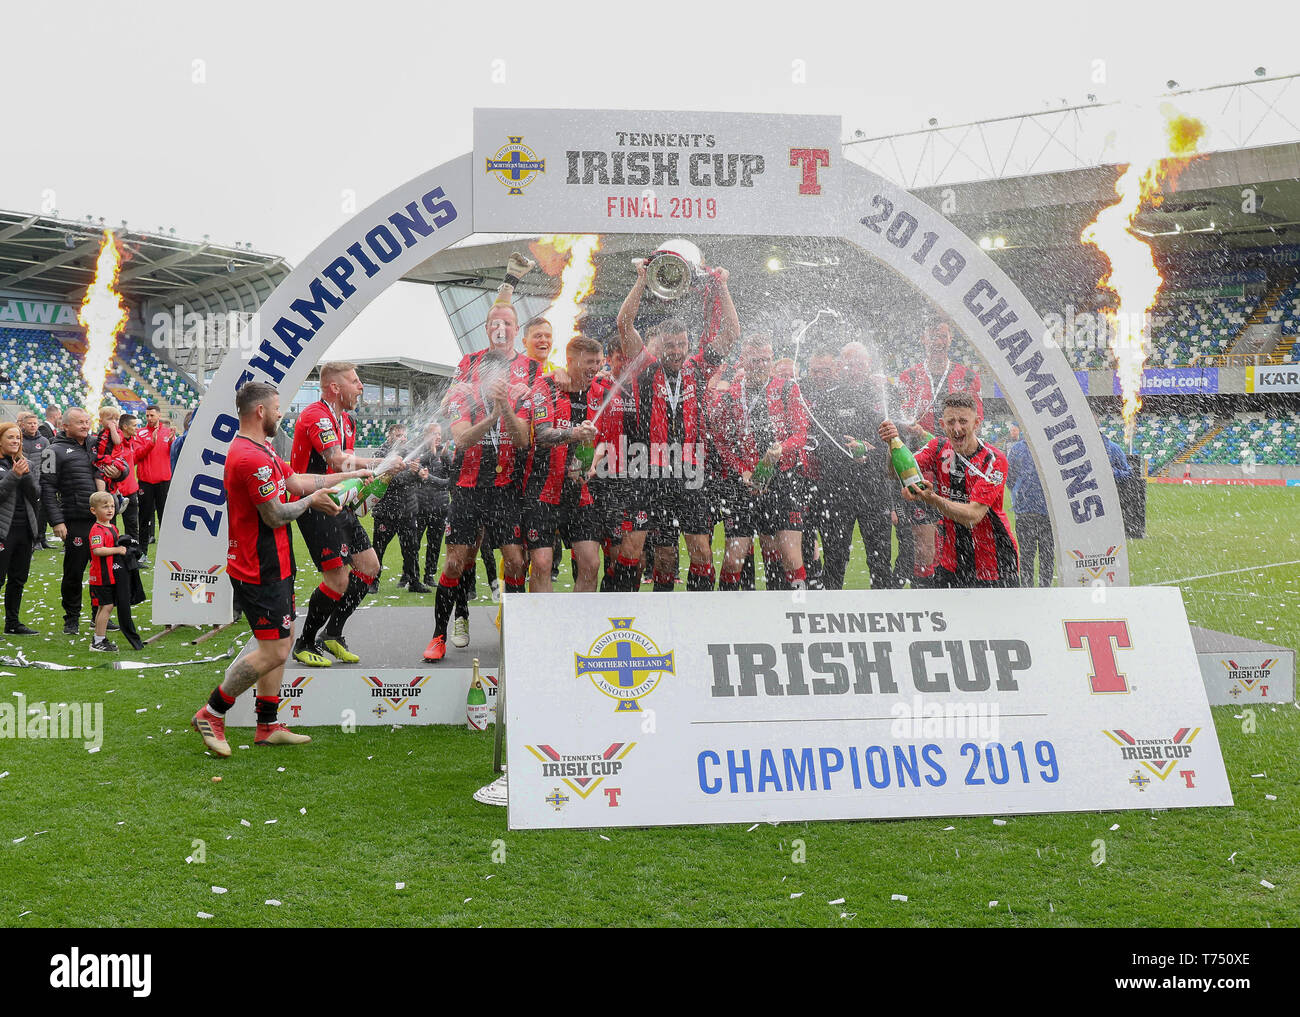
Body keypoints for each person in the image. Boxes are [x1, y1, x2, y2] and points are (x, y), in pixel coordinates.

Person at [191, 381, 370, 757]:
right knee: (272, 651)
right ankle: (213, 711)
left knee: (279, 645)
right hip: (260, 568)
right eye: (276, 408)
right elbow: (275, 515)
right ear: (260, 411)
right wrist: (311, 502)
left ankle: (267, 724)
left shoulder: (262, 448)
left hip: (276, 563)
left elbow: (298, 481)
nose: (280, 414)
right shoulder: (249, 456)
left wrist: (350, 478)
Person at [613, 258, 738, 592]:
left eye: (682, 345)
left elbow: (731, 333)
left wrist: (723, 286)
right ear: (660, 345)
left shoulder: (698, 368)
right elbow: (624, 324)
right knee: (640, 550)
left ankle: (695, 620)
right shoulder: (645, 369)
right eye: (670, 346)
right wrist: (641, 279)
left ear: (688, 342)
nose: (677, 352)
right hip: (646, 469)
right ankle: (626, 612)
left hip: (691, 471)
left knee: (700, 552)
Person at [424, 326, 531, 662]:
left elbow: (523, 440)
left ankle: (514, 634)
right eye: (491, 376)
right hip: (468, 491)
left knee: (515, 561)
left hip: (503, 493)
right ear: (480, 375)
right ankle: (440, 634)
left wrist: (506, 409)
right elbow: (462, 439)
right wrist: (493, 416)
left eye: (502, 376)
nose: (497, 382)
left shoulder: (517, 395)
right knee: (456, 562)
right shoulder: (460, 395)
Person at [290, 362, 385, 666]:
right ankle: (304, 642)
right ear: (335, 387)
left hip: (339, 501)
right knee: (337, 580)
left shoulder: (346, 420)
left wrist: (375, 474)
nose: (360, 387)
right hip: (315, 503)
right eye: (355, 381)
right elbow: (337, 460)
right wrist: (377, 464)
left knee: (370, 566)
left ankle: (332, 634)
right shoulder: (315, 415)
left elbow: (344, 469)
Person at [879, 391, 1019, 588]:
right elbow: (896, 473)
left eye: (963, 421)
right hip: (951, 562)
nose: (957, 428)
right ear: (942, 424)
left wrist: (933, 499)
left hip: (995, 564)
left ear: (976, 423)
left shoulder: (994, 460)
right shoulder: (938, 447)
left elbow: (973, 516)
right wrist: (892, 443)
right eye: (951, 422)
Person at [709, 334, 810, 590]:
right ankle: (727, 619)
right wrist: (741, 470)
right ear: (743, 361)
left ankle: (796, 614)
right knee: (733, 560)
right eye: (755, 361)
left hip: (783, 481)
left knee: (789, 557)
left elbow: (800, 433)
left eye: (765, 360)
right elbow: (720, 441)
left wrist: (781, 449)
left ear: (772, 361)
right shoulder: (730, 397)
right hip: (744, 486)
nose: (760, 366)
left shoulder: (788, 388)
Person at [802, 341, 894, 590]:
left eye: (859, 363)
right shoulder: (828, 399)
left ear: (868, 365)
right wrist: (846, 453)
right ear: (840, 366)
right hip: (836, 491)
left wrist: (869, 451)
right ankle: (832, 621)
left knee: (880, 560)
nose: (854, 369)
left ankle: (884, 618)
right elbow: (816, 443)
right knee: (834, 561)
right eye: (849, 363)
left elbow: (896, 443)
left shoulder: (881, 396)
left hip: (874, 490)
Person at [897, 322, 983, 587]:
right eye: (933, 336)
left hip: (958, 472)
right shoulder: (908, 377)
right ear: (923, 340)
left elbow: (976, 419)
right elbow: (902, 418)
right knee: (924, 546)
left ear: (950, 340)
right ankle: (928, 597)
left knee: (959, 541)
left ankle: (958, 596)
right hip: (922, 471)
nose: (938, 341)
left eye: (942, 336)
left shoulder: (967, 377)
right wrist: (908, 428)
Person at [519, 335, 606, 592]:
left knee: (590, 563)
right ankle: (543, 628)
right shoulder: (545, 387)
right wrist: (574, 434)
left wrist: (594, 462)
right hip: (542, 490)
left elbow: (607, 439)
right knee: (543, 563)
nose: (595, 367)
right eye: (589, 362)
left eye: (598, 362)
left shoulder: (600, 390)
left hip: (579, 492)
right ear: (570, 361)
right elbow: (543, 435)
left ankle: (578, 628)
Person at [40, 408, 102, 634]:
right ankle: (72, 618)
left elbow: (118, 467)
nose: (86, 426)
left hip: (102, 520)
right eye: (80, 423)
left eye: (87, 422)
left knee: (103, 570)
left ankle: (100, 616)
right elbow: (46, 488)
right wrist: (57, 521)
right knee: (74, 571)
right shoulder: (52, 451)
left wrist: (120, 472)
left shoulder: (97, 444)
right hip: (75, 520)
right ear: (65, 425)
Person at [86, 491, 143, 652]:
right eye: (105, 507)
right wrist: (118, 550)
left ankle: (98, 639)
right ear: (94, 511)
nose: (110, 510)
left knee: (104, 607)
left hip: (111, 575)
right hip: (101, 576)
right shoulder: (97, 530)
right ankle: (98, 641)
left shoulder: (112, 527)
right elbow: (97, 550)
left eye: (112, 506)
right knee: (107, 607)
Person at [371, 425, 427, 591]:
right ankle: (373, 581)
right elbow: (387, 480)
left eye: (404, 435)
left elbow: (417, 477)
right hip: (386, 510)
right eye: (398, 435)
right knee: (378, 549)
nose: (402, 438)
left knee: (411, 549)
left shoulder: (411, 452)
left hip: (408, 509)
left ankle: (414, 582)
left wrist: (421, 474)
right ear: (389, 436)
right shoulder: (380, 454)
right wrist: (412, 474)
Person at [0, 421, 40, 635]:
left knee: (18, 578)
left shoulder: (27, 463)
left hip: (24, 529)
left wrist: (23, 474)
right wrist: (13, 474)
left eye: (18, 438)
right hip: (3, 531)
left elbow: (35, 494)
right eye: (10, 437)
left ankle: (12, 623)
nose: (15, 441)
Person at [1006, 431, 1053, 587]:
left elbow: (1010, 479)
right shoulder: (1019, 449)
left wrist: (1020, 493)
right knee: (1033, 556)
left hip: (1040, 513)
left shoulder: (1047, 448)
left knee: (1039, 556)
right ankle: (1035, 591)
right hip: (1032, 512)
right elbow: (1010, 477)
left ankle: (1037, 591)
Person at [417, 422, 452, 586]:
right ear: (426, 436)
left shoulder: (446, 454)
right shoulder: (418, 454)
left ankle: (429, 575)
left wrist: (444, 458)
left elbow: (449, 482)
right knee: (413, 543)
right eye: (433, 434)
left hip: (440, 507)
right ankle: (412, 575)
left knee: (435, 544)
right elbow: (414, 472)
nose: (437, 437)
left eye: (439, 434)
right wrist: (430, 454)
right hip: (419, 506)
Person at [134, 405, 175, 551]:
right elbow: (137, 455)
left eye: (152, 415)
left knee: (165, 517)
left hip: (164, 481)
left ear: (158, 415)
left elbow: (172, 454)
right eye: (147, 416)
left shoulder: (168, 432)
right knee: (144, 518)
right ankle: (142, 551)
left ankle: (167, 551)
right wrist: (151, 443)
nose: (149, 418)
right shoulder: (140, 433)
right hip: (146, 482)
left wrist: (172, 443)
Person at [17, 412, 51, 549]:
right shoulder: (18, 440)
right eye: (30, 423)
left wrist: (48, 480)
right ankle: (30, 540)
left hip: (39, 482)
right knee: (26, 512)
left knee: (41, 512)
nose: (32, 425)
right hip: (22, 482)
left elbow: (49, 464)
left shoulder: (44, 441)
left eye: (35, 423)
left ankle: (40, 539)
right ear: (23, 425)